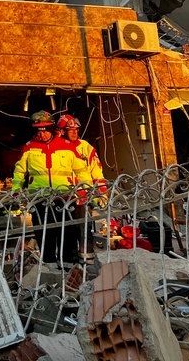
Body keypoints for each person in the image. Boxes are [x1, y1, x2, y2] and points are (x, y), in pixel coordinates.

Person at [12, 111, 93, 268]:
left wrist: (85, 191)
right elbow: (20, 172)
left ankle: (68, 264)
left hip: (65, 197)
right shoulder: (28, 148)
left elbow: (81, 171)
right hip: (39, 199)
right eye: (37, 131)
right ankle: (49, 266)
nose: (41, 135)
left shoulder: (67, 146)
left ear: (51, 128)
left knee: (68, 233)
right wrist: (16, 190)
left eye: (44, 131)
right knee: (44, 234)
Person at [57, 114, 106, 266]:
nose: (74, 132)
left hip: (84, 197)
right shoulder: (55, 147)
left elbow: (97, 171)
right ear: (61, 131)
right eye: (70, 129)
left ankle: (88, 261)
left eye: (76, 130)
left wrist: (101, 194)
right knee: (66, 231)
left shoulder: (86, 147)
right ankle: (68, 263)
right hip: (63, 197)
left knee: (85, 230)